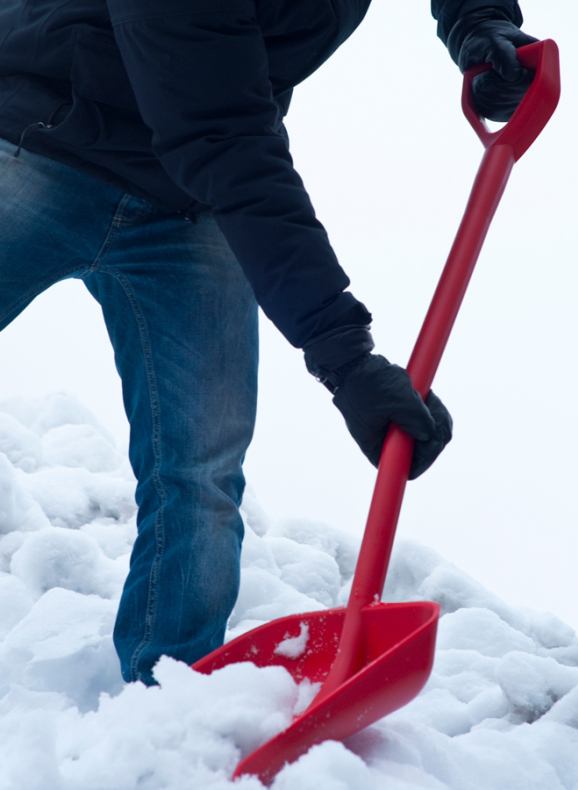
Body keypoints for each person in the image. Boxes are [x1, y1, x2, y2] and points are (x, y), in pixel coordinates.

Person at [0, 0, 536, 685]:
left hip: (186, 202)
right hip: (41, 136)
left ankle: (169, 704)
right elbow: (223, 138)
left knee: (200, 474)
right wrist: (347, 360)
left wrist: (478, 23)